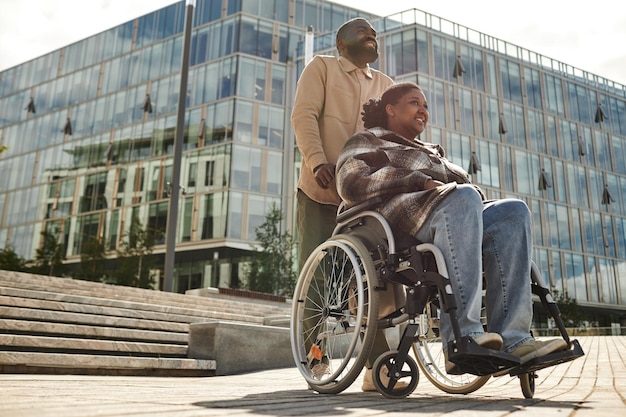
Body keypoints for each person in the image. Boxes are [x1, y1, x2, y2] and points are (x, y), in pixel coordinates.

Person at [335, 82, 567, 373]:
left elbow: (465, 194)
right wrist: (417, 181)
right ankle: (462, 335)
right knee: (465, 196)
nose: (422, 110)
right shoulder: (369, 139)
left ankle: (514, 339)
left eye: (426, 106)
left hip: (455, 213)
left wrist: (464, 195)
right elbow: (351, 183)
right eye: (413, 102)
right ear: (390, 110)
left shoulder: (433, 151)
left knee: (513, 211)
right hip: (400, 221)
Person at [291, 18, 400, 391]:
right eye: (363, 33)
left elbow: (392, 136)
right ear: (341, 42)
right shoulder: (320, 68)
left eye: (375, 35)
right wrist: (318, 160)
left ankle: (376, 368)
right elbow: (303, 115)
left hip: (365, 200)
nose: (371, 38)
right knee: (316, 278)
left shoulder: (385, 85)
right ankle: (315, 359)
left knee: (371, 281)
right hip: (320, 193)